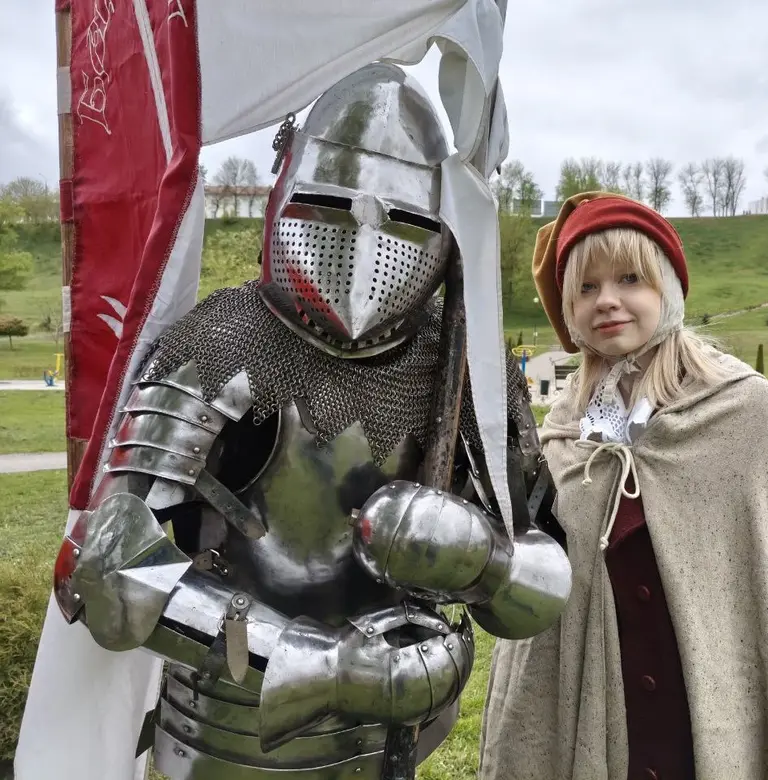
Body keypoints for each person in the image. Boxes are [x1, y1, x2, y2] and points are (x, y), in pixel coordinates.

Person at [20, 64, 570, 780]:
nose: (366, 246)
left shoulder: (465, 363)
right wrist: (325, 665)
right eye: (330, 209)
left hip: (396, 739)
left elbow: (547, 565)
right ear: (284, 194)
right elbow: (109, 572)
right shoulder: (220, 343)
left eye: (401, 220)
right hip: (231, 736)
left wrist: (483, 559)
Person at [479, 192, 768, 780]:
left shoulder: (750, 414)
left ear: (668, 291)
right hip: (599, 719)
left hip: (715, 713)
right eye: (586, 287)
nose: (606, 300)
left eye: (629, 278)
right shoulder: (561, 434)